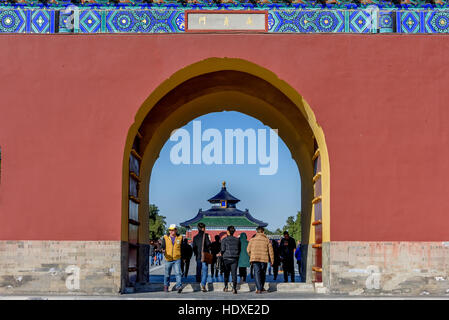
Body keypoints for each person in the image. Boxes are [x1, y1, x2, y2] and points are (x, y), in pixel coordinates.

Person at [247, 226, 274, 294]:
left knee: (257, 273)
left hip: (255, 259)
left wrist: (251, 256)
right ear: (263, 231)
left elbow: (248, 250)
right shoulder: (267, 240)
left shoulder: (252, 240)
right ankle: (260, 287)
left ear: (257, 232)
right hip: (264, 259)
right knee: (263, 273)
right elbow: (271, 251)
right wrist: (272, 260)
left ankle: (259, 289)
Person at [161, 224, 183, 293]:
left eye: (172, 230)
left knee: (178, 273)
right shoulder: (165, 237)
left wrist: (184, 257)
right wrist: (163, 250)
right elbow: (163, 246)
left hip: (177, 258)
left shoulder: (180, 237)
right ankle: (166, 286)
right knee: (167, 274)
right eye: (170, 230)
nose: (171, 231)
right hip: (168, 258)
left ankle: (178, 286)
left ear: (176, 230)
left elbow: (182, 247)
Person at [220, 226, 241, 294]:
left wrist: (221, 254)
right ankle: (234, 288)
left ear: (228, 231)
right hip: (234, 258)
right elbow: (239, 249)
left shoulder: (224, 240)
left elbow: (222, 249)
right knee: (234, 274)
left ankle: (226, 287)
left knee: (226, 273)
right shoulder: (237, 240)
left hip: (226, 258)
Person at [192, 222, 211, 292]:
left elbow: (193, 247)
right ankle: (203, 284)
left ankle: (198, 281)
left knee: (198, 269)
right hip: (204, 256)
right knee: (205, 270)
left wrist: (196, 254)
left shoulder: (195, 237)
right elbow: (209, 244)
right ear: (203, 228)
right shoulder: (205, 236)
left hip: (198, 256)